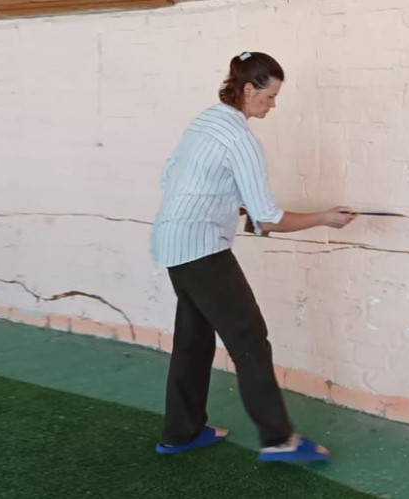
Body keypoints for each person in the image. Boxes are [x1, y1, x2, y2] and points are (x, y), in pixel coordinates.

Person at [150, 51, 357, 461]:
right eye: (270, 96)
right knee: (249, 341)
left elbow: (170, 175)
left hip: (172, 243)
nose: (273, 105)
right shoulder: (241, 139)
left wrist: (230, 203)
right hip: (202, 249)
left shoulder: (207, 120)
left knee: (193, 340)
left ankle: (180, 433)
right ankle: (279, 439)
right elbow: (268, 219)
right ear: (248, 89)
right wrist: (325, 218)